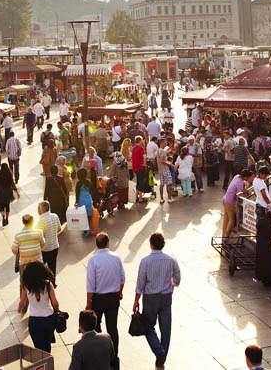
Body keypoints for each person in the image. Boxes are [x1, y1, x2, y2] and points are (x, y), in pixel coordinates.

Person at [133, 232, 181, 370]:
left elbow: (140, 283)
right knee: (166, 329)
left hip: (150, 299)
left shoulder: (145, 261)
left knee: (148, 326)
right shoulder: (171, 260)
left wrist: (136, 300)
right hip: (166, 297)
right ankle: (162, 358)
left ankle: (158, 350)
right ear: (163, 244)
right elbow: (177, 277)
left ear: (151, 244)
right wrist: (172, 286)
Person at [85, 232, 124, 363]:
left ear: (96, 244)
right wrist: (120, 292)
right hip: (113, 298)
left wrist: (88, 302)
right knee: (112, 327)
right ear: (108, 243)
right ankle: (114, 354)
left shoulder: (93, 260)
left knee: (95, 327)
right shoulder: (116, 257)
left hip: (98, 299)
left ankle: (97, 354)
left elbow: (90, 284)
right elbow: (122, 279)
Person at [18, 260, 60, 354]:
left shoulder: (26, 286)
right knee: (47, 343)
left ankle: (44, 363)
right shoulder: (48, 285)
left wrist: (19, 309)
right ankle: (48, 360)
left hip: (35, 321)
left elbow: (22, 302)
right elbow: (55, 303)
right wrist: (57, 310)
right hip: (49, 319)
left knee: (39, 348)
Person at [36, 200, 64, 279]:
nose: (37, 210)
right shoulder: (55, 216)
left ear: (42, 209)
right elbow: (59, 229)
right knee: (52, 267)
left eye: (38, 208)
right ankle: (52, 283)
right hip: (55, 247)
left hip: (44, 249)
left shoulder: (41, 220)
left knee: (40, 268)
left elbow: (38, 236)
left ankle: (43, 284)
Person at [0, 162, 19, 227]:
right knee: (7, 206)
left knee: (2, 206)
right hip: (8, 193)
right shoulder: (9, 175)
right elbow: (12, 184)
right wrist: (17, 192)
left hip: (0, 193)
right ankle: (7, 218)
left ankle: (3, 217)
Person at [74, 168, 98, 237]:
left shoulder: (78, 183)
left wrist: (76, 202)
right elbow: (92, 191)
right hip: (88, 201)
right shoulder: (88, 182)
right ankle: (89, 228)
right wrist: (94, 200)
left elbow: (77, 194)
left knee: (83, 216)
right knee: (89, 215)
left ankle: (86, 229)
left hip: (81, 201)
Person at [132, 137, 149, 203]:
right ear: (140, 141)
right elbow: (144, 157)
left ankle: (137, 196)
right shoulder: (141, 148)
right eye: (142, 140)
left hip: (135, 168)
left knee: (138, 182)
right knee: (141, 183)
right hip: (141, 168)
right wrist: (144, 164)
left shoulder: (133, 149)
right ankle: (140, 198)